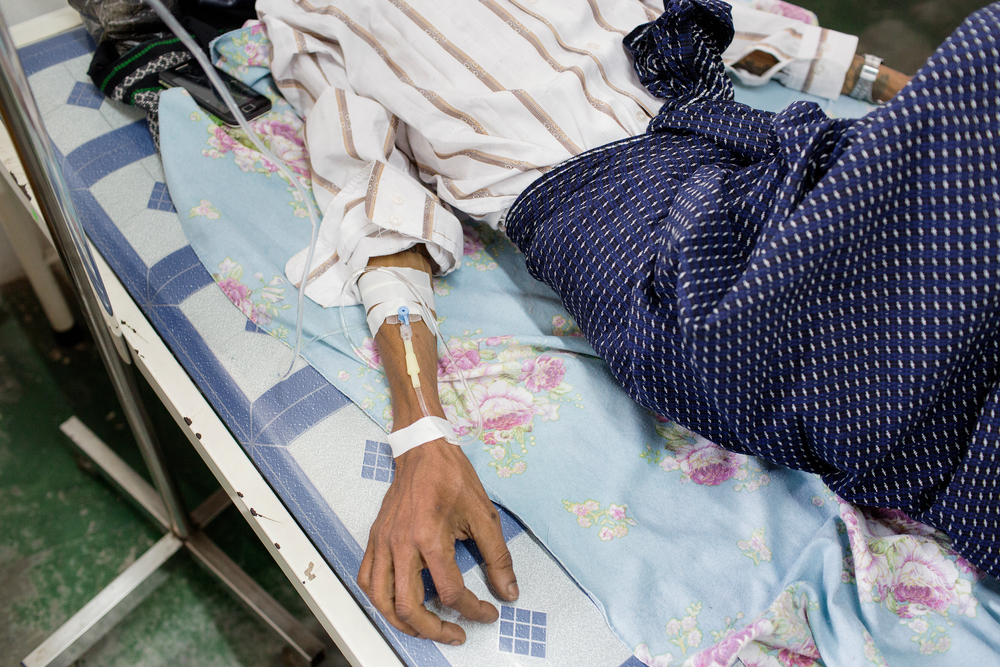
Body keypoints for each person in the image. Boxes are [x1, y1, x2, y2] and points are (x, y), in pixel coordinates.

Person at [258, 0, 931, 647]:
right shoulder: (315, 9)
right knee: (902, 339)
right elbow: (377, 210)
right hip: (633, 246)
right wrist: (421, 432)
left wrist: (902, 89)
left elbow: (725, 21)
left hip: (740, 160)